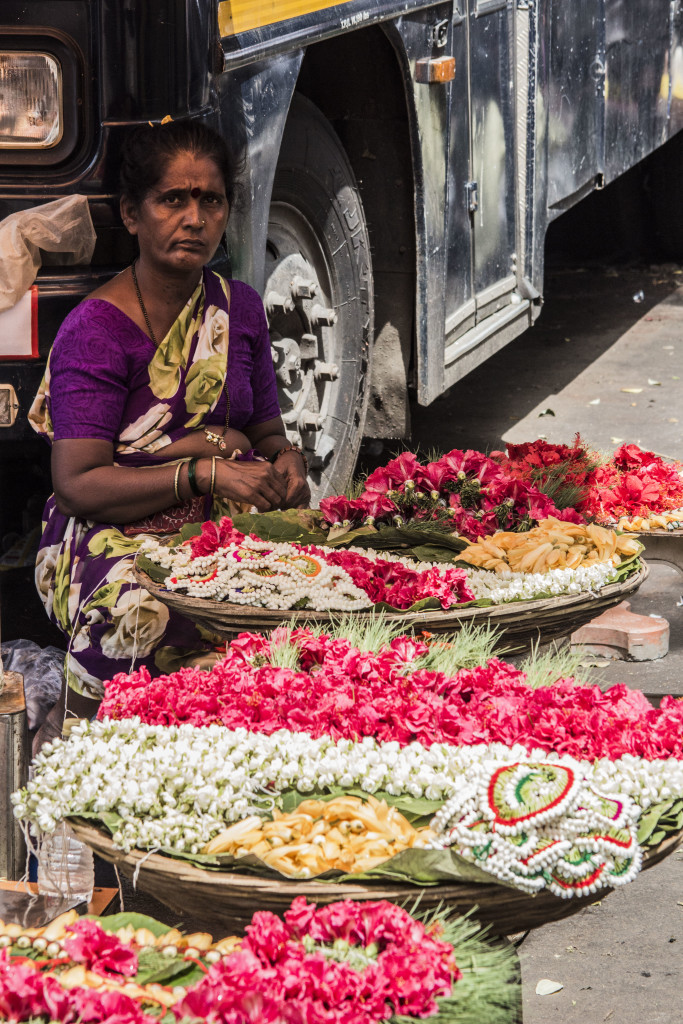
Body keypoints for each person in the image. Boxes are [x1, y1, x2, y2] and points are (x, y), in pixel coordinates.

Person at [28, 119, 310, 739]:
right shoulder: (95, 330)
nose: (194, 218)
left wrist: (287, 463)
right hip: (102, 532)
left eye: (210, 200)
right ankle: (75, 737)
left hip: (218, 524)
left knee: (315, 596)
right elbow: (78, 485)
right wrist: (204, 472)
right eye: (172, 199)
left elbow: (267, 431)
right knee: (144, 612)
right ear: (132, 214)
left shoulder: (239, 309)